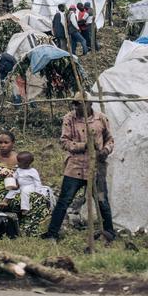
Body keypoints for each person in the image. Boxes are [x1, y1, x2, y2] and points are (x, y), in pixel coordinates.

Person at [43, 97, 115, 240]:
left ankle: (109, 232)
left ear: (89, 104)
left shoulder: (101, 118)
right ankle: (52, 233)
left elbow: (110, 140)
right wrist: (84, 145)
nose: (76, 107)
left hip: (96, 168)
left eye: (80, 104)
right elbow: (64, 142)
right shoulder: (69, 118)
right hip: (75, 166)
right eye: (75, 104)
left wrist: (105, 151)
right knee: (64, 201)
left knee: (102, 201)